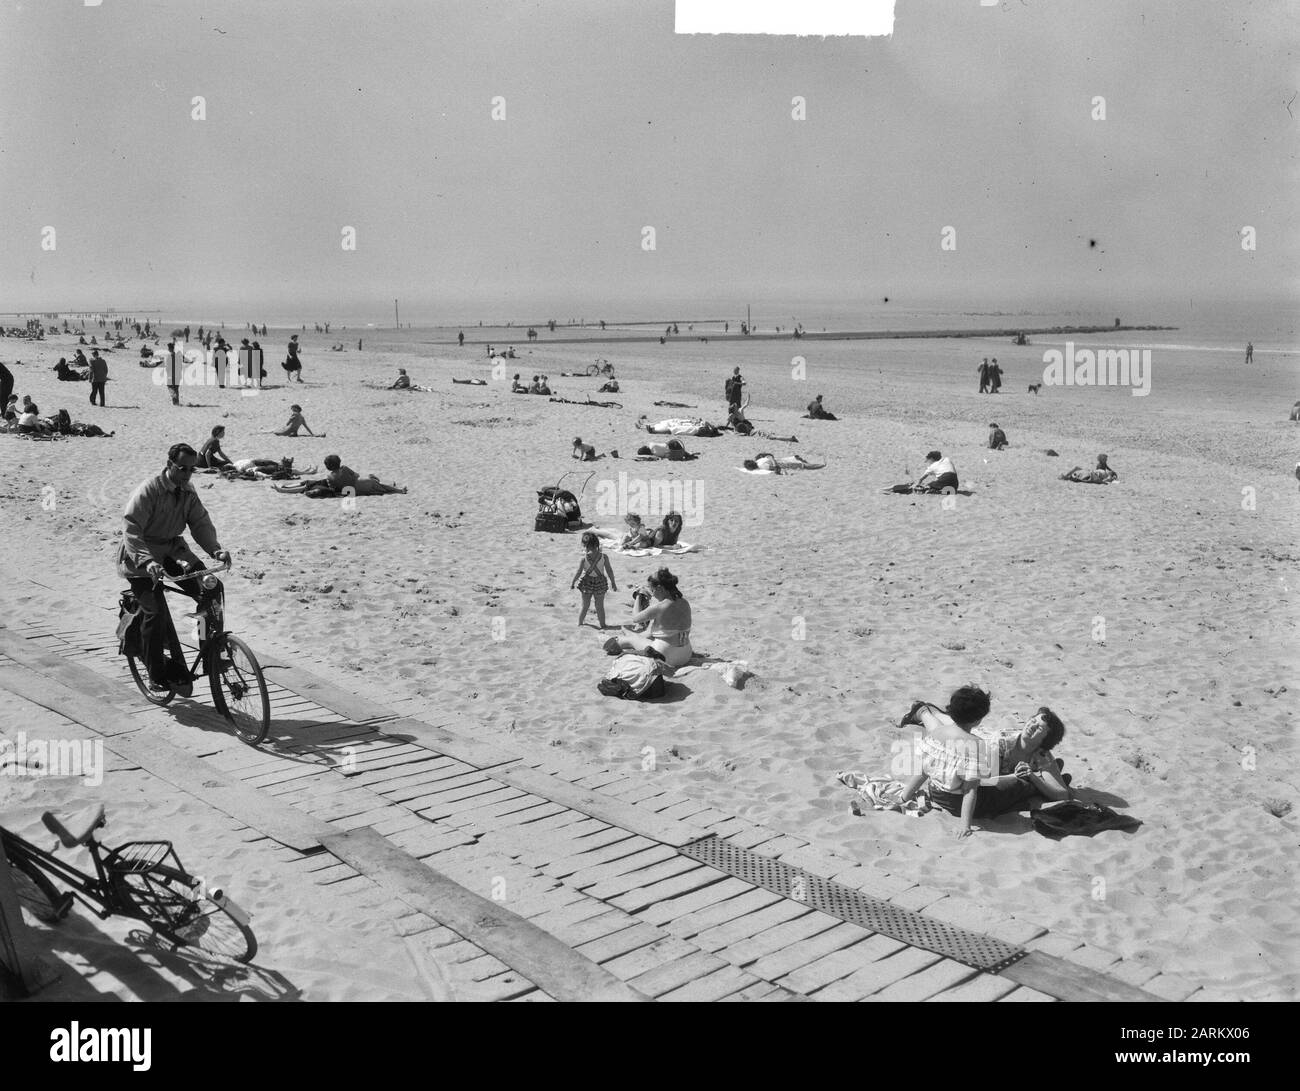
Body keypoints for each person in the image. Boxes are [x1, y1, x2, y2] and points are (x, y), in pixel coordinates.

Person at [117, 443, 232, 694]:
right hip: (141, 559)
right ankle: (155, 674)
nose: (188, 474)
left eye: (192, 469)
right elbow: (131, 527)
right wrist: (147, 561)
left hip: (172, 551)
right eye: (182, 468)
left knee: (210, 590)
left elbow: (200, 523)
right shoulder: (149, 491)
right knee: (154, 613)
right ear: (169, 465)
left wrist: (215, 550)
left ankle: (209, 648)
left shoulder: (188, 491)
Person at [897, 686, 991, 838]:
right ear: (978, 719)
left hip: (935, 793)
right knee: (1007, 789)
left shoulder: (937, 733)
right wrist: (964, 826)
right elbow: (970, 790)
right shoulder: (975, 744)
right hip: (956, 803)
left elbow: (924, 771)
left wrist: (904, 797)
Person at [613, 568, 693, 667]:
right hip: (686, 654)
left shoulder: (660, 607)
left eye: (652, 590)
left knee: (632, 640)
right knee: (652, 632)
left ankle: (624, 637)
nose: (653, 594)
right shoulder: (685, 602)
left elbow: (635, 618)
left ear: (659, 588)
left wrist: (638, 596)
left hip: (666, 656)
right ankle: (630, 633)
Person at [572, 531, 617, 629]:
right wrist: (613, 582)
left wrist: (573, 582)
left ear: (584, 545)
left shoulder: (583, 559)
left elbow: (578, 572)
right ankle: (603, 625)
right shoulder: (604, 557)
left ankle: (580, 623)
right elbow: (609, 570)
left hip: (586, 583)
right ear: (597, 544)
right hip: (600, 583)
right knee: (600, 606)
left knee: (585, 605)